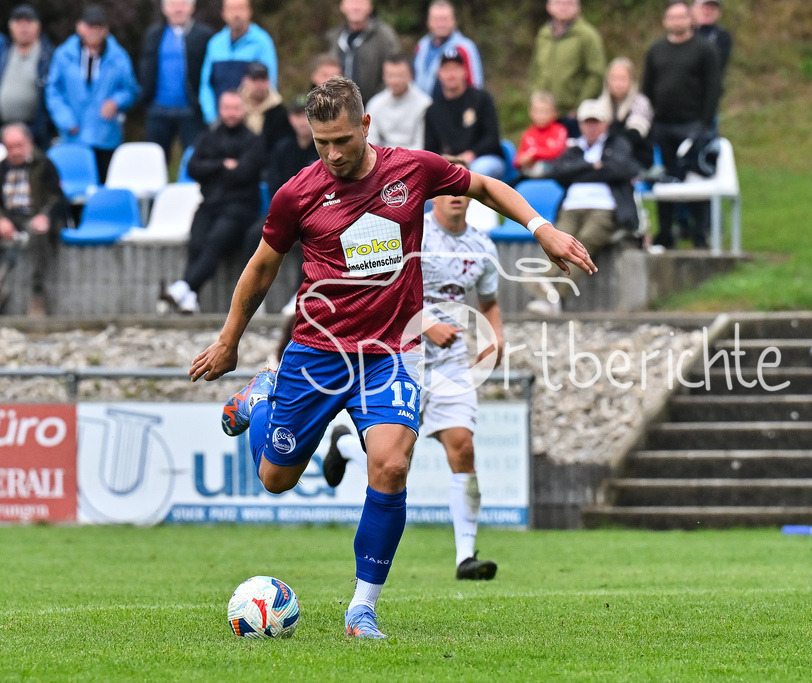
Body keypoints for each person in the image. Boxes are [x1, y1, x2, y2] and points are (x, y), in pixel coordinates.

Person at [187, 76, 596, 639]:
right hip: (317, 353)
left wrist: (541, 228)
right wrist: (230, 338)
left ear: (366, 127)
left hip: (392, 352)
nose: (331, 154)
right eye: (320, 142)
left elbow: (483, 186)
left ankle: (362, 609)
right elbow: (261, 267)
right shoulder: (296, 194)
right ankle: (262, 399)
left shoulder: (411, 169)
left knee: (392, 464)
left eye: (341, 141)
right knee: (275, 478)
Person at [325, 156, 503, 581]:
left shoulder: (483, 245)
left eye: (464, 189)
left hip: (451, 365)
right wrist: (426, 324)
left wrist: (494, 337)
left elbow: (490, 302)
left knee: (462, 445)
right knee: (391, 455)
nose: (457, 195)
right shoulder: (411, 230)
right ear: (436, 193)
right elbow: (379, 286)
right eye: (450, 188)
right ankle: (346, 447)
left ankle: (465, 557)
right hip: (399, 355)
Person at [525, 99, 640, 315]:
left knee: (583, 242)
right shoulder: (574, 148)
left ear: (605, 123)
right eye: (587, 122)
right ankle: (547, 286)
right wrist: (591, 166)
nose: (592, 126)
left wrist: (580, 171)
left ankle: (554, 296)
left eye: (596, 121)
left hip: (605, 207)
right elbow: (558, 172)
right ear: (580, 124)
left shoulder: (617, 144)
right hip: (572, 206)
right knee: (558, 240)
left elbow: (621, 169)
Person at [162, 90, 264, 314]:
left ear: (243, 110)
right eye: (227, 108)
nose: (231, 113)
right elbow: (193, 168)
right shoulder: (209, 136)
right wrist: (222, 165)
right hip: (210, 204)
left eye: (235, 108)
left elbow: (244, 173)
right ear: (220, 109)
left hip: (240, 207)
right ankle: (190, 298)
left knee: (215, 241)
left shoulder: (253, 141)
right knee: (196, 242)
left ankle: (185, 286)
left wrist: (212, 167)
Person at [642, 0, 720, 249]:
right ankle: (666, 232)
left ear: (690, 19)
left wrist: (704, 124)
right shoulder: (656, 50)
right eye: (672, 18)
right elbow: (647, 88)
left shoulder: (704, 49)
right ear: (665, 22)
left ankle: (700, 233)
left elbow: (713, 88)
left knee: (696, 180)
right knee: (664, 179)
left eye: (682, 17)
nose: (677, 22)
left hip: (693, 125)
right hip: (663, 125)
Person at [45, 5, 139, 183]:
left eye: (99, 27)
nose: (95, 31)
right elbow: (53, 91)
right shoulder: (63, 55)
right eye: (90, 26)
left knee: (104, 185)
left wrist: (116, 101)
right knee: (72, 186)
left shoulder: (118, 57)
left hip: (105, 134)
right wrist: (65, 119)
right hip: (74, 134)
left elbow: (130, 89)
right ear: (80, 27)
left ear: (106, 30)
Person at [0, 122, 64, 317]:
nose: (15, 151)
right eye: (10, 147)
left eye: (19, 145)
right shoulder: (2, 168)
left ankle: (38, 296)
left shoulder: (45, 164)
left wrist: (45, 216)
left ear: (29, 142)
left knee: (38, 233)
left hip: (35, 216)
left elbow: (59, 198)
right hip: (10, 217)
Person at [138, 0, 215, 159]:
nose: (178, 9)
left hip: (192, 110)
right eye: (173, 4)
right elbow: (145, 68)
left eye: (183, 4)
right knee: (155, 161)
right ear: (164, 9)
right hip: (158, 109)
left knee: (196, 159)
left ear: (192, 8)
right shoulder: (153, 34)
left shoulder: (205, 35)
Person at [528, 0, 606, 135]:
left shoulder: (588, 36)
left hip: (572, 116)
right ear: (549, 7)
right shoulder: (543, 34)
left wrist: (579, 106)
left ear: (578, 8)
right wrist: (535, 98)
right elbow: (535, 70)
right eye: (558, 3)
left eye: (568, 3)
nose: (563, 7)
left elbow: (596, 74)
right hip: (543, 116)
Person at [424, 50, 504, 179]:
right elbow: (430, 149)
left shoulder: (481, 99)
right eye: (446, 69)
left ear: (464, 71)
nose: (451, 74)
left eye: (455, 69)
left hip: (483, 159)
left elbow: (492, 138)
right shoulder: (433, 110)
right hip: (449, 164)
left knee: (476, 172)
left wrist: (471, 154)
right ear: (438, 74)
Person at [198, 0, 277, 125]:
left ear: (250, 12)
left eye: (241, 8)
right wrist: (211, 117)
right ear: (223, 14)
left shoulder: (262, 42)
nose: (236, 14)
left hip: (251, 123)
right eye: (231, 9)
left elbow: (269, 84)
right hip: (218, 122)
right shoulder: (215, 43)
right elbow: (206, 84)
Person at [0, 4, 55, 151]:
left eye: (28, 23)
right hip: (4, 127)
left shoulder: (48, 56)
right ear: (11, 27)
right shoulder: (4, 52)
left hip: (35, 131)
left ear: (38, 27)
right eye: (19, 23)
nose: (23, 28)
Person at [326, 0, 400, 103]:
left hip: (373, 106)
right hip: (339, 106)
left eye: (360, 2)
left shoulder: (384, 36)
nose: (356, 7)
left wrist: (377, 102)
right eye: (351, 2)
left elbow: (395, 70)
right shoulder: (334, 36)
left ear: (370, 7)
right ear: (342, 6)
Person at [412, 0, 484, 99]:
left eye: (445, 19)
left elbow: (475, 84)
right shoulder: (421, 46)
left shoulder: (464, 48)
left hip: (452, 108)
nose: (441, 24)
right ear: (429, 22)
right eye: (436, 19)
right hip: (421, 109)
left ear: (453, 21)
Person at [596, 57, 654, 169]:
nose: (618, 83)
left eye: (622, 79)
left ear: (631, 80)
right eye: (614, 78)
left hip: (636, 158)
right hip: (605, 159)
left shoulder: (641, 103)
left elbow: (634, 135)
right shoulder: (600, 103)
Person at [365, 55, 431, 150]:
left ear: (410, 75)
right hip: (384, 158)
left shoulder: (424, 104)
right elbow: (371, 142)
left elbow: (421, 144)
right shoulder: (375, 104)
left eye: (400, 75)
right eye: (390, 76)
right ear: (384, 76)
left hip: (415, 157)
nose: (395, 81)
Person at [238, 61, 290, 152]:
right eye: (254, 80)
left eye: (263, 80)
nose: (259, 85)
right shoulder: (235, 107)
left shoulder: (279, 111)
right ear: (244, 81)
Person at [513, 91, 567, 179]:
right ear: (531, 112)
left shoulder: (559, 130)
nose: (541, 116)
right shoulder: (528, 133)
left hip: (555, 173)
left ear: (555, 113)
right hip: (528, 174)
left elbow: (556, 152)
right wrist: (523, 160)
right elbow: (518, 160)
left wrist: (533, 154)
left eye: (545, 111)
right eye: (537, 111)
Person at [693, 0, 732, 78]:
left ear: (719, 13)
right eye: (704, 7)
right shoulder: (682, 32)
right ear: (693, 8)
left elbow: (716, 67)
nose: (708, 11)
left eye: (713, 8)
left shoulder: (722, 36)